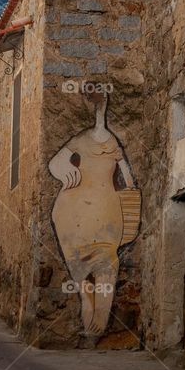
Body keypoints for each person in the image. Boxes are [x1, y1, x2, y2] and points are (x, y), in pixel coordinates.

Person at [49, 90, 139, 337]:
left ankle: (97, 309)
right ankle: (89, 301)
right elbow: (55, 164)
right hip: (79, 209)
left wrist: (130, 192)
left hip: (100, 209)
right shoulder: (89, 140)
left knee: (103, 260)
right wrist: (65, 171)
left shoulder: (106, 142)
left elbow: (128, 180)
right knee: (90, 261)